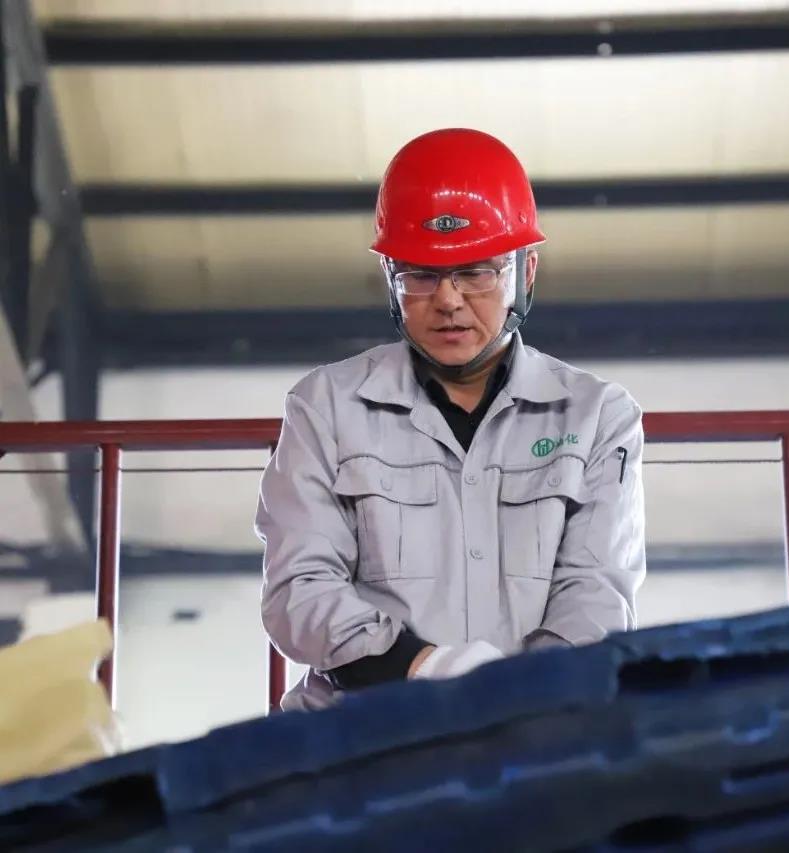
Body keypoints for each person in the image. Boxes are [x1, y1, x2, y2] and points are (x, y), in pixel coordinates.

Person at [256, 128, 646, 711]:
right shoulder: (327, 405)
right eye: (420, 275)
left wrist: (519, 700)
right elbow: (299, 591)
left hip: (535, 723)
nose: (448, 300)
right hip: (357, 728)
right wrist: (426, 668)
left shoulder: (595, 415)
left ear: (526, 273)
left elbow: (596, 594)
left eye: (477, 271)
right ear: (390, 279)